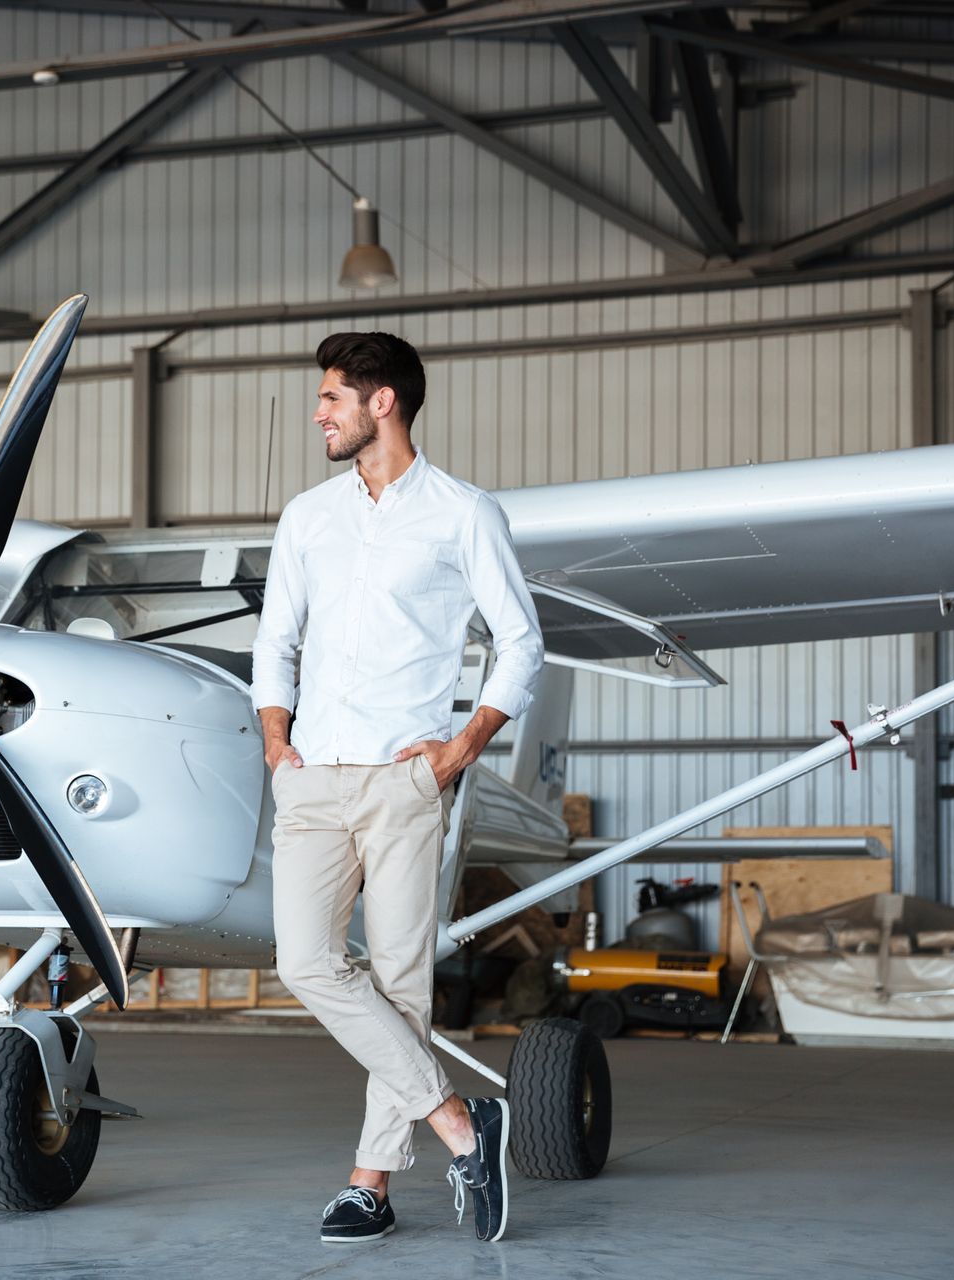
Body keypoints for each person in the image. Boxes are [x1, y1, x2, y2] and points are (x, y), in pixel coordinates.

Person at [251, 331, 544, 1245]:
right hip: (310, 778)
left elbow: (521, 641)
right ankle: (463, 1126)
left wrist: (459, 751)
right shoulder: (308, 515)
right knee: (304, 961)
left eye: (333, 396)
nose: (319, 412)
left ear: (384, 403)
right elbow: (276, 639)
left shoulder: (463, 513)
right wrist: (275, 742)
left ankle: (369, 1187)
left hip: (406, 780)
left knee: (401, 985)